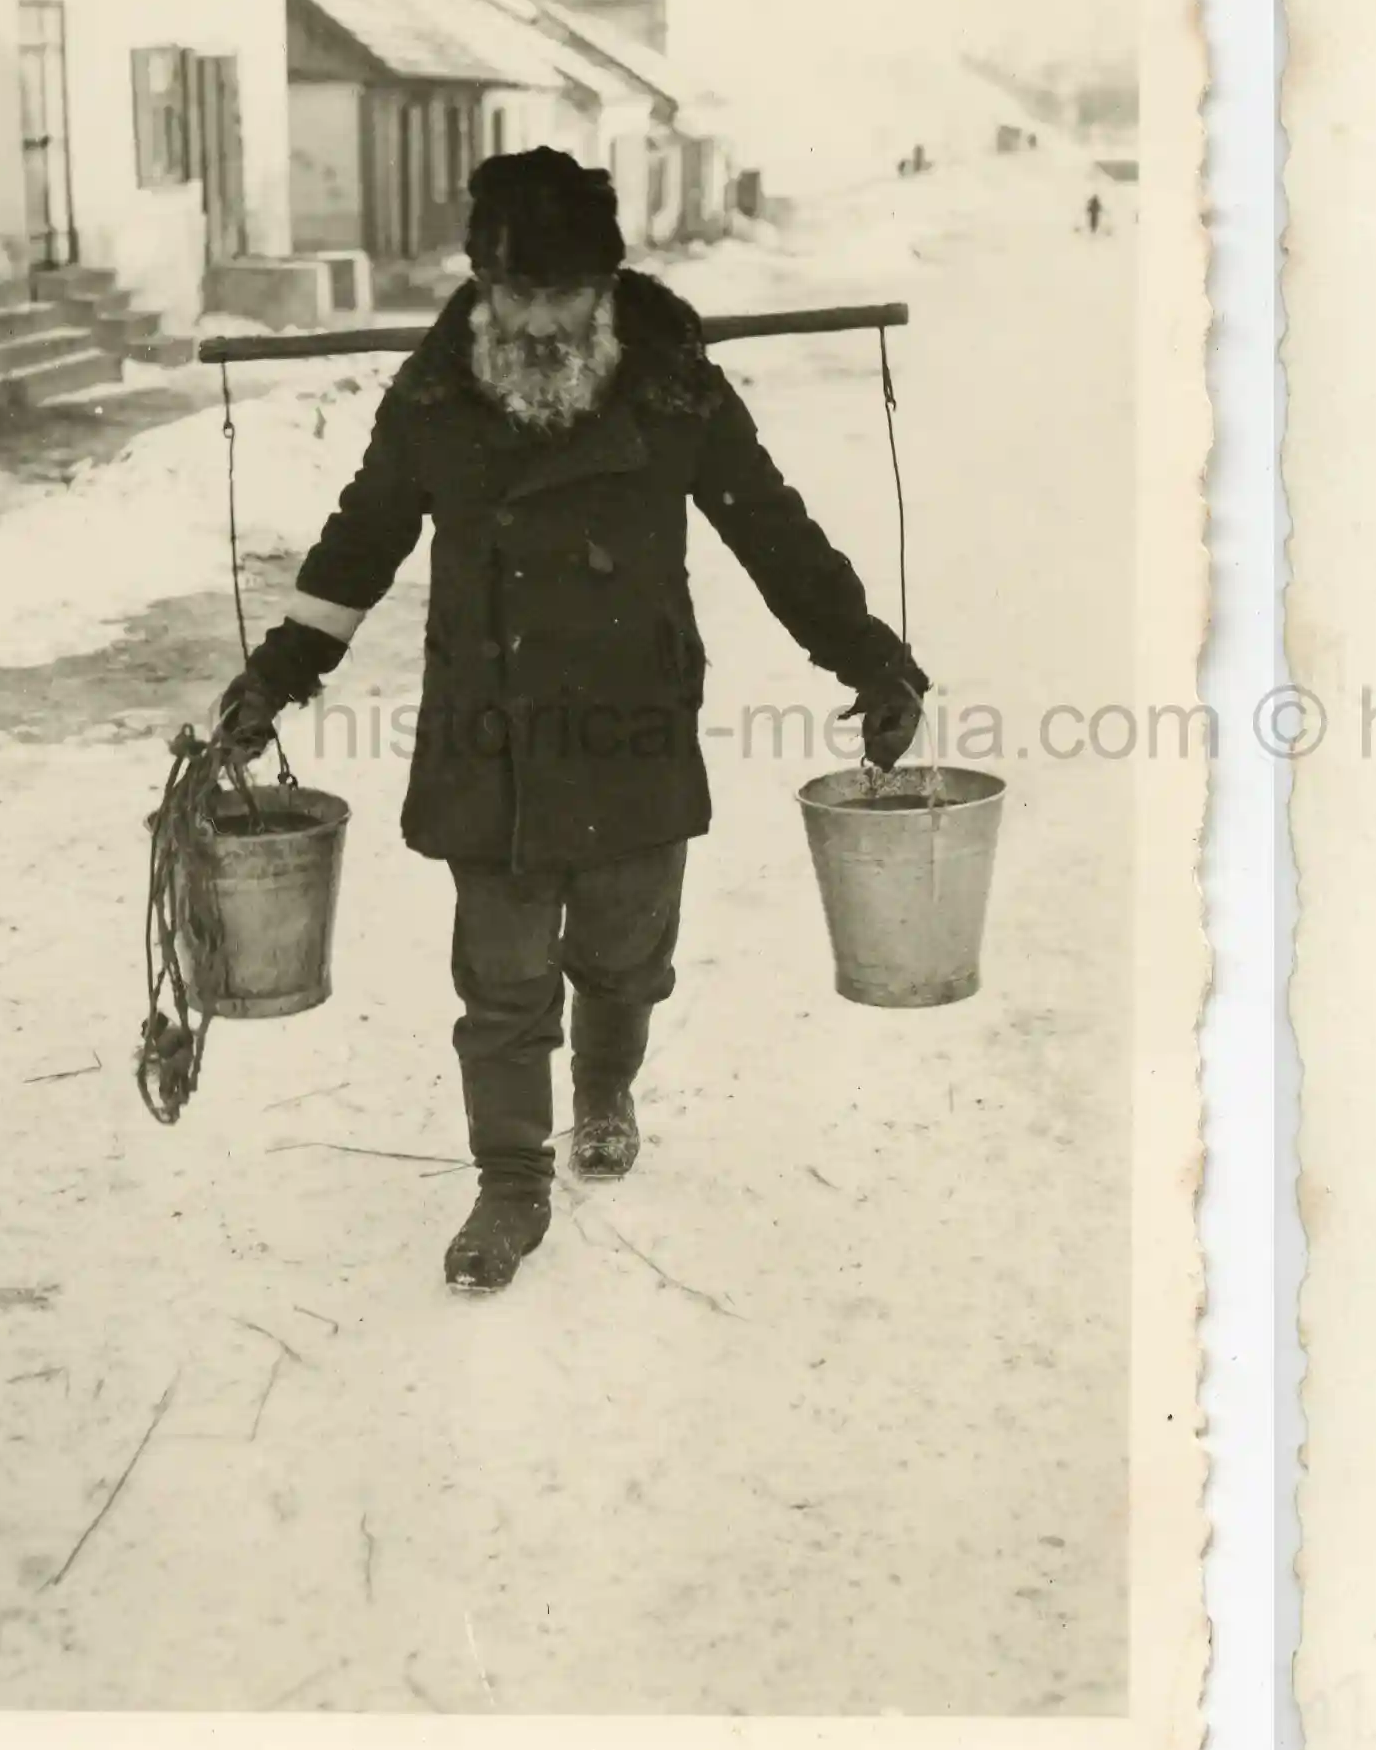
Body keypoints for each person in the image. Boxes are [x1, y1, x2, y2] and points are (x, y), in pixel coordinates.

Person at [216, 148, 927, 1294]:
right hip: (485, 726)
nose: (540, 323)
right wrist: (277, 676)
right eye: (518, 296)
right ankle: (510, 1185)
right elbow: (359, 545)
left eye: (564, 297)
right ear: (483, 288)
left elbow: (775, 535)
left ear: (605, 289)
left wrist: (872, 660)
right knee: (499, 980)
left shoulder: (673, 389)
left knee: (623, 957)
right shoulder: (435, 400)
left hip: (634, 717)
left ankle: (603, 1086)